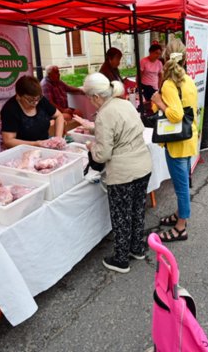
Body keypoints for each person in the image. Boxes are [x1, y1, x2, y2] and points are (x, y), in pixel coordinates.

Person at [83, 72, 152, 273]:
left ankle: (121, 259)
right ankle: (137, 247)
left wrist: (90, 147)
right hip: (142, 165)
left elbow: (102, 154)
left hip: (123, 172)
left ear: (96, 96)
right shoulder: (125, 104)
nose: (90, 101)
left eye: (89, 97)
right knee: (137, 209)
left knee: (121, 215)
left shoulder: (104, 114)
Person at [151, 38, 198, 243]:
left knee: (180, 189)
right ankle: (180, 216)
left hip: (177, 144)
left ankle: (181, 227)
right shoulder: (187, 80)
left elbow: (176, 115)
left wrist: (158, 101)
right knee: (183, 185)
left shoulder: (170, 84)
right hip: (188, 139)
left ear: (165, 57)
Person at [1, 75, 65, 148]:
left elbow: (58, 116)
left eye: (37, 99)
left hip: (45, 146)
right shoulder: (10, 109)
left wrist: (58, 138)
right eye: (30, 100)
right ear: (19, 96)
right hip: (23, 151)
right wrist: (36, 144)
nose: (35, 103)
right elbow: (8, 141)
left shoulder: (41, 100)